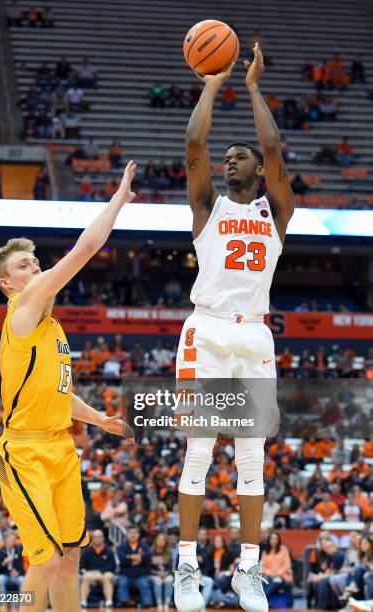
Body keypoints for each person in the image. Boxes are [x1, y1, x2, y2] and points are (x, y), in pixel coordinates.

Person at [174, 42, 294, 612]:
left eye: (239, 156)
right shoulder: (208, 209)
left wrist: (251, 88)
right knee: (198, 451)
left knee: (252, 459)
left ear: (258, 172)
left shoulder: (276, 212)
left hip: (256, 336)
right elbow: (194, 144)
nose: (230, 158)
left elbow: (272, 145)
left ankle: (248, 571)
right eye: (227, 157)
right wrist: (213, 81)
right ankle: (187, 567)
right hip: (207, 330)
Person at [0, 161, 136, 612]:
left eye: (35, 262)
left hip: (60, 449)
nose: (34, 269)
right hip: (26, 452)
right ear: (6, 282)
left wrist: (97, 419)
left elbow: (57, 391)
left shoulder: (51, 326)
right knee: (46, 557)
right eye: (23, 266)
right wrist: (118, 201)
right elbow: (86, 247)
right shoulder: (23, 306)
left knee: (71, 554)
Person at [116, 525, 153, 607]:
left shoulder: (145, 546)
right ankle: (124, 602)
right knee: (122, 583)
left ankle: (147, 604)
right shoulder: (121, 547)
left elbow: (148, 556)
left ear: (138, 535)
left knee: (144, 584)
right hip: (125, 573)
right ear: (127, 534)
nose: (132, 535)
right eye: (130, 533)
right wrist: (138, 558)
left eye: (134, 533)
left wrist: (130, 557)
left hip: (140, 574)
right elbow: (122, 559)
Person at [79, 530, 116, 609]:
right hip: (91, 573)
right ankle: (83, 602)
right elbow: (82, 566)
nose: (97, 539)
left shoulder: (109, 551)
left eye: (99, 537)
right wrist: (85, 571)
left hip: (105, 573)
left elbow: (112, 565)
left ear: (103, 538)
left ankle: (109, 602)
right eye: (95, 537)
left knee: (107, 577)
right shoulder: (86, 551)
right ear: (92, 539)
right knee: (86, 577)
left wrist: (102, 573)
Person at [260, 532, 293, 603]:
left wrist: (277, 573)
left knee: (276, 580)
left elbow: (287, 565)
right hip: (269, 575)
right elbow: (262, 566)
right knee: (264, 580)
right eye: (271, 538)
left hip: (283, 576)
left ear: (278, 540)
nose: (273, 540)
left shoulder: (284, 550)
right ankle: (265, 602)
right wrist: (270, 573)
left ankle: (261, 600)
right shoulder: (265, 552)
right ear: (269, 540)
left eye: (275, 539)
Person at [149, 533, 174, 610]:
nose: (160, 541)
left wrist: (166, 573)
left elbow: (170, 568)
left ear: (166, 542)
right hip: (153, 574)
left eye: (163, 540)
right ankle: (159, 602)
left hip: (165, 574)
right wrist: (156, 573)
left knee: (169, 579)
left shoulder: (169, 553)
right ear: (155, 541)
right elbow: (147, 568)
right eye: (159, 539)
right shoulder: (150, 552)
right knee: (158, 580)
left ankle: (167, 602)